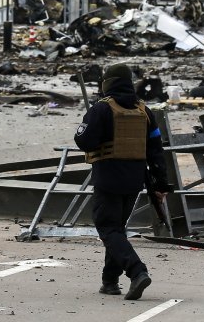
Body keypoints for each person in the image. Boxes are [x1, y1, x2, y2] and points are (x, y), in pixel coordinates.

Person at [73, 62, 170, 300]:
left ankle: (137, 271)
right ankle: (110, 281)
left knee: (108, 228)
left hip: (108, 177)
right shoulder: (144, 111)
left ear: (107, 83)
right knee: (117, 228)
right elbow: (156, 150)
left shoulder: (102, 109)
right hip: (135, 180)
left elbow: (84, 141)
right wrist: (160, 184)